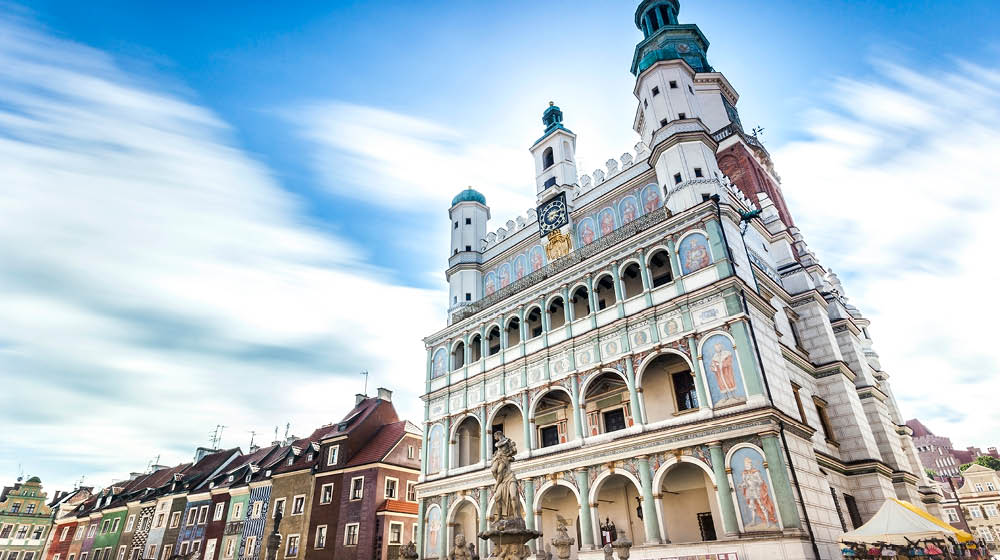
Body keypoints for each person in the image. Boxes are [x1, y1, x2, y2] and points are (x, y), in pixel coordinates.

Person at [737, 456, 779, 528]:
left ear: (751, 465)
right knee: (752, 507)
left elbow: (760, 482)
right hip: (749, 491)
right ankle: (753, 521)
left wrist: (753, 480)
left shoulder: (755, 472)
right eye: (746, 465)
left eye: (748, 465)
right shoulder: (744, 473)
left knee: (761, 505)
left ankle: (767, 522)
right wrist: (741, 485)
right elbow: (745, 483)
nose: (747, 466)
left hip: (756, 491)